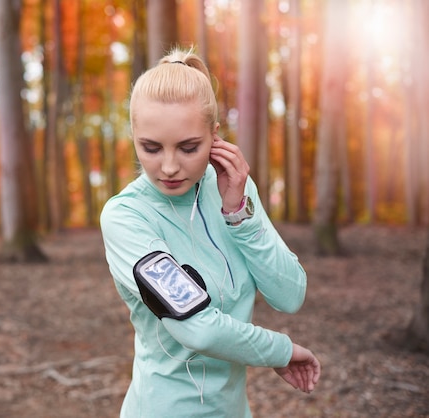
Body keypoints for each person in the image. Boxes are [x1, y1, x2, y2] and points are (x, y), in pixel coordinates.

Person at [100, 47, 321, 418]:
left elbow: (290, 294)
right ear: (134, 136)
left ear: (215, 137)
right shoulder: (126, 216)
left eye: (189, 148)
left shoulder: (234, 190)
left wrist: (239, 214)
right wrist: (280, 351)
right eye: (151, 148)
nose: (169, 167)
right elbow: (196, 327)